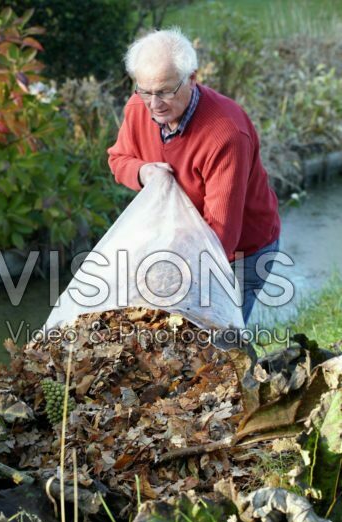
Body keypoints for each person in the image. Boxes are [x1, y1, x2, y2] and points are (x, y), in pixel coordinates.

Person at [107, 28, 281, 324]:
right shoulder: (140, 107)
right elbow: (118, 158)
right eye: (145, 90)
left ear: (191, 78)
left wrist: (171, 279)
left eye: (165, 91)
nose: (154, 104)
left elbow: (221, 237)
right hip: (175, 241)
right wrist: (142, 171)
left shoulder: (225, 134)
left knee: (220, 340)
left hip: (240, 253)